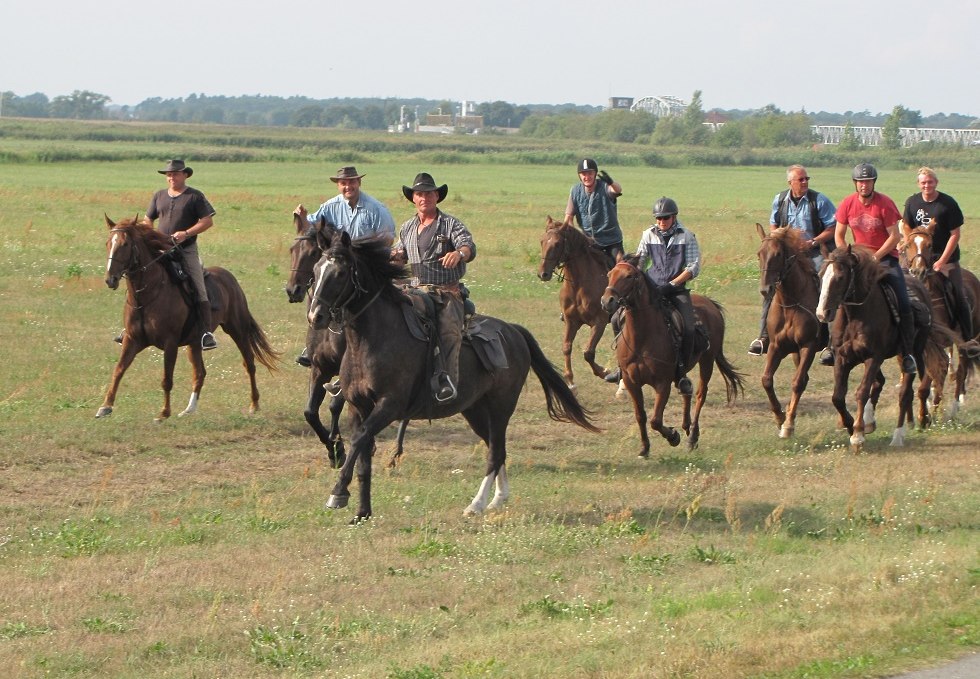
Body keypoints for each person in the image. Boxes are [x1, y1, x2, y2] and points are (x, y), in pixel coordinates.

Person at [293, 165, 396, 366]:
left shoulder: (376, 209)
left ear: (359, 183)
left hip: (368, 269)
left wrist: (357, 250)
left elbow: (387, 239)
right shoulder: (329, 207)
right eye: (343, 183)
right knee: (319, 291)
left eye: (351, 182)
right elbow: (312, 229)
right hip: (340, 267)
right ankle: (314, 344)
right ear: (338, 186)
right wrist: (302, 218)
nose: (348, 186)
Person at [392, 172, 476, 402]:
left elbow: (468, 246)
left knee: (449, 330)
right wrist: (395, 257)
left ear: (437, 196)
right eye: (419, 194)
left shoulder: (450, 224)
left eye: (428, 193)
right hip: (415, 289)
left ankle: (447, 380)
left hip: (445, 292)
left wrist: (459, 254)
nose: (424, 198)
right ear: (413, 198)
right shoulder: (407, 227)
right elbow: (400, 253)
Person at [604, 197, 700, 396]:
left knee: (689, 328)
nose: (661, 222)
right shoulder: (648, 235)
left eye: (665, 218)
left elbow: (693, 267)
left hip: (676, 290)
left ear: (674, 217)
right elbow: (640, 262)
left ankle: (681, 374)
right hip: (651, 287)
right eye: (658, 218)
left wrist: (672, 284)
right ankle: (622, 367)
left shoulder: (687, 236)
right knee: (615, 319)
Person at [748, 165, 838, 365]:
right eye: (801, 179)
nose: (805, 182)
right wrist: (777, 239)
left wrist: (812, 242)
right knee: (771, 285)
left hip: (814, 251)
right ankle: (763, 336)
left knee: (826, 286)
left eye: (807, 178)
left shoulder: (819, 200)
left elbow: (833, 227)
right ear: (791, 182)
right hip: (789, 255)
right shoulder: (780, 200)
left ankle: (831, 344)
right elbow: (773, 224)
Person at [835, 163, 917, 374]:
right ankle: (832, 346)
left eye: (868, 181)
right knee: (836, 293)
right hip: (858, 261)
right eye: (861, 182)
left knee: (903, 300)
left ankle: (908, 352)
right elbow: (839, 235)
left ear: (873, 183)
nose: (864, 185)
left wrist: (875, 256)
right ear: (855, 184)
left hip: (885, 260)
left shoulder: (884, 204)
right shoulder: (847, 203)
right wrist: (847, 256)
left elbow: (894, 236)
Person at [141, 159, 218, 350]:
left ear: (185, 175)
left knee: (198, 285)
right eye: (168, 174)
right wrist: (149, 234)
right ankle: (133, 327)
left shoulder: (195, 196)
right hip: (161, 249)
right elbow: (147, 219)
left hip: (186, 250)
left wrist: (186, 233)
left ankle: (206, 332)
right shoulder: (159, 196)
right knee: (141, 279)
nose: (171, 177)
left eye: (175, 174)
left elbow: (207, 221)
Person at [901, 166, 973, 339]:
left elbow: (955, 235)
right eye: (923, 182)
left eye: (930, 182)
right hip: (917, 257)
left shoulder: (947, 204)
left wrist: (942, 261)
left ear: (936, 182)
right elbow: (906, 226)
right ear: (918, 184)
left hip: (944, 259)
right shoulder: (912, 202)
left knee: (960, 295)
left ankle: (968, 340)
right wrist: (906, 242)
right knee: (898, 286)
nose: (927, 185)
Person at [563, 158, 625, 266]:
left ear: (595, 174)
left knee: (621, 268)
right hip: (588, 241)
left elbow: (617, 190)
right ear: (579, 175)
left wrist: (611, 182)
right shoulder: (575, 191)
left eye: (590, 173)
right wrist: (573, 236)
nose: (587, 177)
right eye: (583, 174)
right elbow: (568, 219)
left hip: (611, 240)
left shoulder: (605, 187)